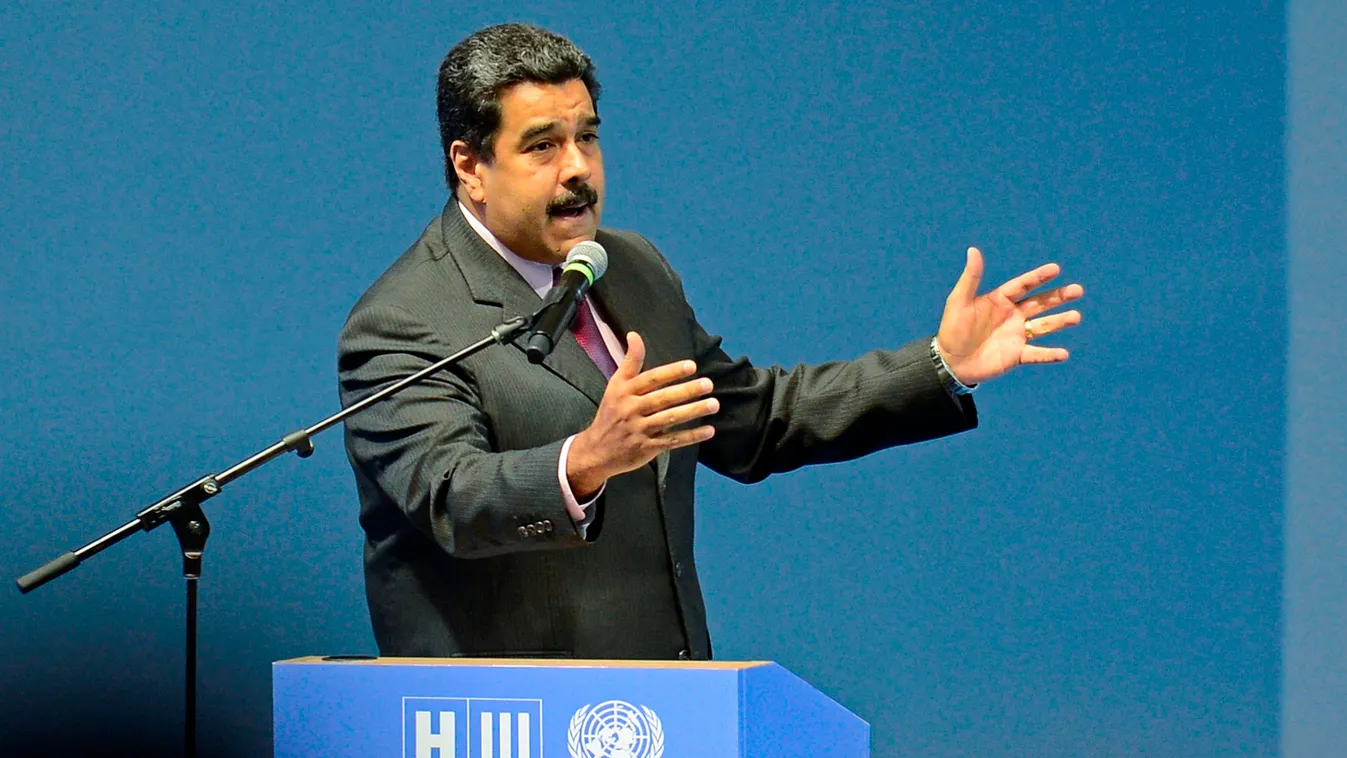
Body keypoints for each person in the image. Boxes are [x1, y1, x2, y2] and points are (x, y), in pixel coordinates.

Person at [337, 23, 1083, 659]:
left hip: (665, 707)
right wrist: (585, 460)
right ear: (470, 166)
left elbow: (753, 421)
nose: (578, 170)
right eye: (542, 146)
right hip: (505, 715)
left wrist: (940, 365)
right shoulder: (405, 321)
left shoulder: (627, 268)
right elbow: (449, 496)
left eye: (586, 137)